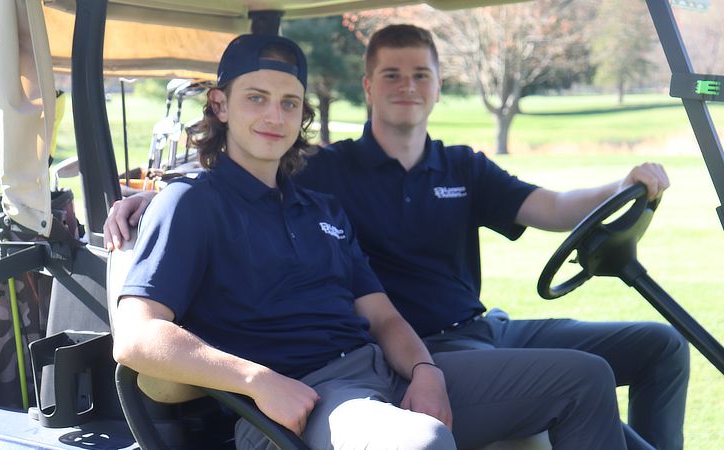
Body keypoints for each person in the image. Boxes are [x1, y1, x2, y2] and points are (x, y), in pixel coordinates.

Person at [108, 28, 681, 450]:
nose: (274, 117)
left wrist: (426, 370)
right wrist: (257, 382)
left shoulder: (320, 207)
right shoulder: (192, 205)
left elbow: (382, 317)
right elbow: (135, 338)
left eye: (288, 103)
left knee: (585, 378)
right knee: (424, 443)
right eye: (255, 98)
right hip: (299, 400)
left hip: (381, 369)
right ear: (221, 104)